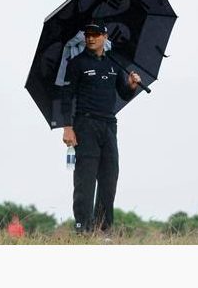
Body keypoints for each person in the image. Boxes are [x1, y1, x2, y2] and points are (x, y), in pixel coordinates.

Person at [61, 19, 141, 234]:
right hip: (85, 124)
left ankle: (103, 229)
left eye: (96, 34)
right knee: (85, 180)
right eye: (87, 33)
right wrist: (67, 127)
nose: (90, 37)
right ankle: (83, 228)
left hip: (109, 125)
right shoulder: (76, 63)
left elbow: (123, 93)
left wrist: (132, 86)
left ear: (105, 37)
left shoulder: (114, 63)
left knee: (109, 177)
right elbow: (66, 96)